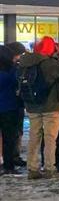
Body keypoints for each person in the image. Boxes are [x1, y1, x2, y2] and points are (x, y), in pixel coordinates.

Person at [18, 37, 59, 179]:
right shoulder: (51, 64)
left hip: (32, 104)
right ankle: (49, 168)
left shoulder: (25, 62)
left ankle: (32, 168)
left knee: (34, 136)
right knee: (50, 138)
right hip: (51, 105)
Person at [0, 44, 23, 175]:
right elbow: (17, 84)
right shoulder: (12, 69)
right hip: (9, 107)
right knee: (9, 138)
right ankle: (9, 165)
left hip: (7, 105)